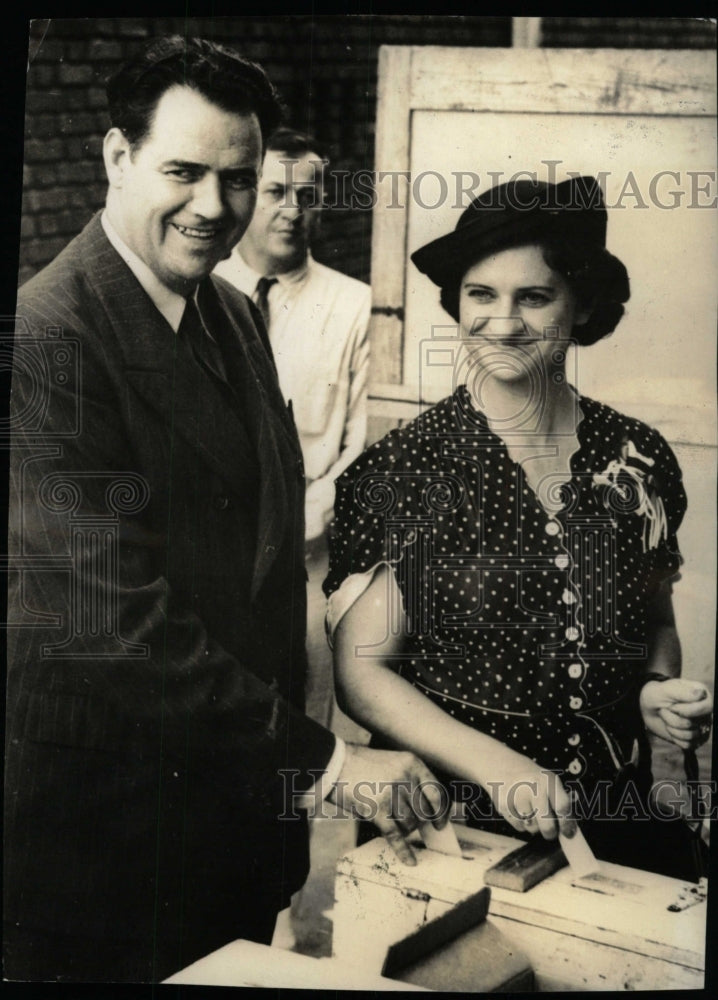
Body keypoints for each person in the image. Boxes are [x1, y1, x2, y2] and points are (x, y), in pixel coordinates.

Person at [4, 37, 446, 984]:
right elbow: (113, 624)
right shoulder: (48, 341)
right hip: (106, 853)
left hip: (230, 827)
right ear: (118, 159)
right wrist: (328, 764)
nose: (214, 207)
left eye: (237, 178)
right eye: (183, 171)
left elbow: (266, 546)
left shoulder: (232, 311)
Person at [324, 175, 713, 880]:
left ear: (583, 304)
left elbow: (654, 620)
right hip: (453, 825)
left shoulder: (638, 456)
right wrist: (500, 768)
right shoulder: (411, 469)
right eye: (482, 295)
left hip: (611, 816)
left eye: (534, 297)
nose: (502, 324)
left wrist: (655, 691)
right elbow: (362, 672)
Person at [214, 128, 371, 732]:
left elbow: (361, 441)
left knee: (308, 718)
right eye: (276, 191)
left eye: (309, 194)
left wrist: (303, 519)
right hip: (222, 549)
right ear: (248, 193)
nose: (293, 210)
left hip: (311, 555)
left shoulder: (355, 305)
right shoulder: (203, 292)